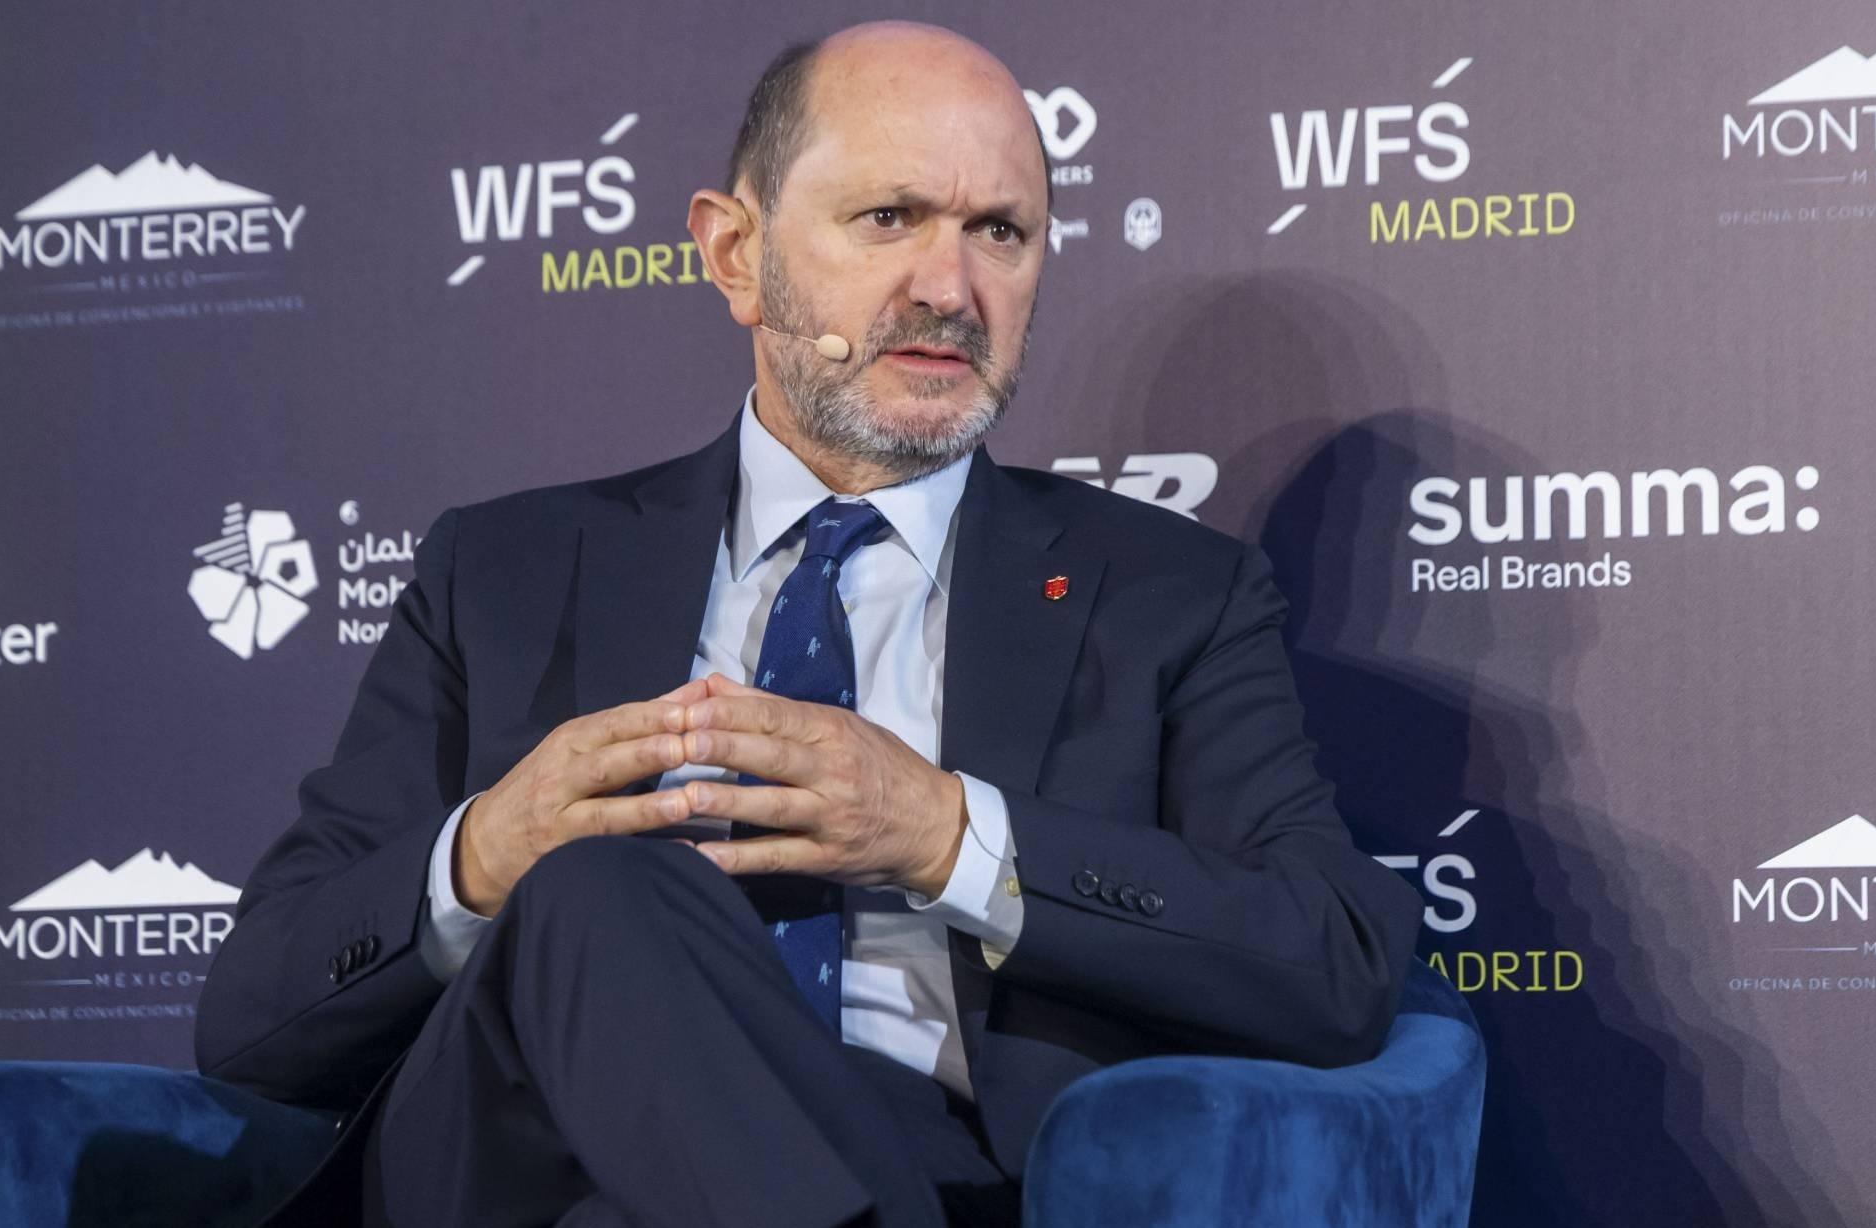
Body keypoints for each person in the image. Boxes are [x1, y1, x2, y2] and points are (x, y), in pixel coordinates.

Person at [195, 20, 1422, 1228]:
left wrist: (947, 836)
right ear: (735, 254)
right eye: (888, 217)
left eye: (998, 232)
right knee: (599, 888)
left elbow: (1336, 964)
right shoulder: (505, 572)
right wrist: (488, 851)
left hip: (920, 1168)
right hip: (527, 1161)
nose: (948, 288)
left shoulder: (1166, 595)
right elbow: (249, 1018)